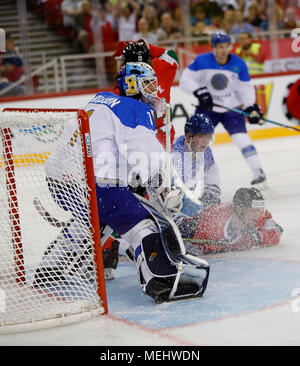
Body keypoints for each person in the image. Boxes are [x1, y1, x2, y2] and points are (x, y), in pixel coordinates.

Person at [33, 62, 209, 304]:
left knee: (97, 221)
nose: (152, 89)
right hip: (97, 184)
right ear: (131, 84)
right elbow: (143, 148)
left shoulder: (100, 100)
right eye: (147, 83)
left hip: (59, 179)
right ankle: (159, 281)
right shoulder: (133, 107)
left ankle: (49, 269)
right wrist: (165, 188)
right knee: (143, 225)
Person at [179, 32, 266, 186]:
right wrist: (199, 92)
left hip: (231, 109)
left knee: (241, 139)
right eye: (220, 47)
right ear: (213, 48)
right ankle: (192, 178)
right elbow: (185, 80)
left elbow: (245, 88)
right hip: (207, 109)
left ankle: (258, 170)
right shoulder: (201, 60)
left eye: (226, 46)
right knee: (196, 142)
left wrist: (251, 107)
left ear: (230, 47)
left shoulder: (239, 64)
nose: (223, 50)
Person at [113, 39, 179, 150]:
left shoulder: (123, 82)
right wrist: (146, 46)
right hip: (164, 135)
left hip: (140, 139)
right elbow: (172, 56)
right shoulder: (161, 67)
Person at [177, 187, 283, 256]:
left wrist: (258, 236)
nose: (258, 214)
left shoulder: (261, 216)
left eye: (260, 210)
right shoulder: (215, 221)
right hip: (187, 229)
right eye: (253, 211)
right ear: (238, 209)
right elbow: (202, 244)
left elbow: (277, 232)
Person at [172, 113, 221, 218]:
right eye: (202, 136)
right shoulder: (173, 154)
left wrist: (211, 193)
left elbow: (211, 176)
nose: (206, 141)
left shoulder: (206, 152)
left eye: (208, 136)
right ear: (188, 136)